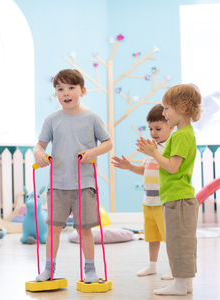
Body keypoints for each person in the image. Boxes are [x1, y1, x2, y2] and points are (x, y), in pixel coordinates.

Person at [34, 69, 113, 283]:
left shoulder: (92, 118)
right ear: (56, 93)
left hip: (84, 184)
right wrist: (39, 153)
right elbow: (39, 145)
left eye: (71, 88)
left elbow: (108, 143)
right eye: (60, 89)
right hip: (58, 184)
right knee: (54, 229)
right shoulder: (52, 120)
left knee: (85, 230)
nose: (65, 93)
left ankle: (90, 270)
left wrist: (93, 153)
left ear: (82, 91)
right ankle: (49, 269)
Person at [137, 83, 203, 296]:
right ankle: (184, 283)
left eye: (166, 108)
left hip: (179, 198)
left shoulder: (182, 135)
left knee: (178, 243)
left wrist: (153, 153)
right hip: (176, 198)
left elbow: (173, 168)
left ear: (183, 108)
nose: (164, 113)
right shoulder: (181, 134)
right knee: (179, 243)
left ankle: (180, 284)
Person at [111, 104, 174, 280]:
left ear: (171, 126)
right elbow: (145, 170)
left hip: (164, 200)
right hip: (149, 201)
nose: (153, 133)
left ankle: (174, 267)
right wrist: (130, 166)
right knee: (152, 235)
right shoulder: (151, 147)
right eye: (151, 128)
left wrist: (154, 153)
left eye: (158, 128)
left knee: (169, 237)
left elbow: (170, 167)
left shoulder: (170, 146)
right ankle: (152, 265)